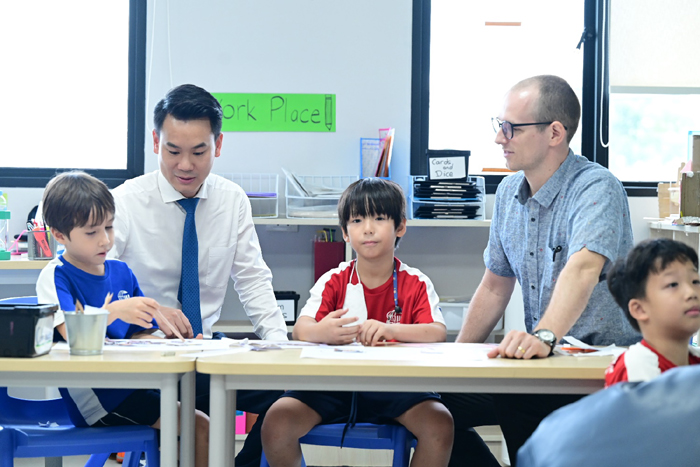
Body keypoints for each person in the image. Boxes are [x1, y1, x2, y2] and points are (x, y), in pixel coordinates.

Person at [442, 75, 641, 466]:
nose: (499, 138)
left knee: (525, 411)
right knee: (434, 405)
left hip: (598, 367)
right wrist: (455, 361)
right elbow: (495, 286)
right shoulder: (507, 193)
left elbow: (582, 269)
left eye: (511, 128)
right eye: (499, 126)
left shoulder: (595, 187)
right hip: (542, 368)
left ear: (554, 133)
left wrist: (545, 336)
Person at [109, 84, 286, 467]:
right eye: (173, 151)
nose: (185, 165)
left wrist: (279, 346)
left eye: (198, 152)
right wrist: (145, 315)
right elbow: (96, 282)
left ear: (218, 145)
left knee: (289, 393)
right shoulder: (124, 203)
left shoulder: (231, 200)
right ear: (155, 142)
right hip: (146, 358)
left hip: (205, 353)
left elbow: (252, 279)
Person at [260, 178, 454, 467]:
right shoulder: (333, 279)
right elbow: (301, 330)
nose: (368, 228)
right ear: (345, 232)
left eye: (379, 218)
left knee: (440, 425)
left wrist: (391, 330)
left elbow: (437, 333)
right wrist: (322, 331)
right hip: (332, 386)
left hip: (397, 387)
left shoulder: (416, 282)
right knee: (276, 422)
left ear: (400, 226)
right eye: (357, 220)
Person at [36, 171, 209, 466]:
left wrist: (174, 342)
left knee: (201, 421)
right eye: (91, 233)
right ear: (60, 235)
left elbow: (138, 334)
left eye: (109, 227)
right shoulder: (57, 275)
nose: (105, 240)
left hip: (134, 386)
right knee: (200, 426)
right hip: (98, 399)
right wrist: (115, 311)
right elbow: (72, 334)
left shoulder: (121, 271)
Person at [605, 238, 700, 386]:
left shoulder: (695, 359)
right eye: (673, 284)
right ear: (640, 309)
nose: (691, 293)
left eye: (695, 281)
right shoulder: (637, 368)